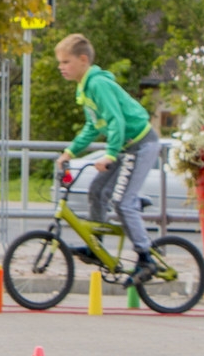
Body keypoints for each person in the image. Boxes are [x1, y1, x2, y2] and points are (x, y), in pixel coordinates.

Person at [53, 33, 161, 283]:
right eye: (60, 63)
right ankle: (96, 248)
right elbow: (93, 127)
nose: (61, 67)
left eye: (65, 62)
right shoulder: (85, 88)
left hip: (140, 144)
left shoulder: (97, 84)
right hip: (126, 147)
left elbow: (115, 120)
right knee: (97, 190)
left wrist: (110, 154)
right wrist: (70, 151)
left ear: (83, 60)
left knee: (122, 202)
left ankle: (146, 258)